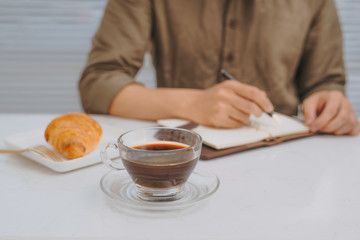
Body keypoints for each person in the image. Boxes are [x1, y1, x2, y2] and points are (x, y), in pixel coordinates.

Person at [79, 0, 360, 135]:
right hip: (182, 156)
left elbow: (324, 83)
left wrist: (331, 104)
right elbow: (98, 82)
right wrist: (192, 103)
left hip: (282, 157)